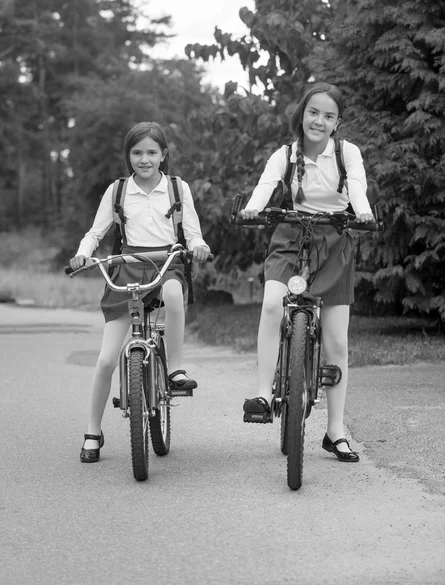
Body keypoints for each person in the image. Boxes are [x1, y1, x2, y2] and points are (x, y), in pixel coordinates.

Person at [241, 82, 374, 463]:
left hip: (334, 242)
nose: (319, 120)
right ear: (302, 114)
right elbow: (266, 186)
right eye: (314, 112)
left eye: (329, 115)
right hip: (290, 236)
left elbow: (359, 189)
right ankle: (264, 395)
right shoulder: (285, 154)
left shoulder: (348, 153)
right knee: (270, 305)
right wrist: (254, 208)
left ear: (337, 123)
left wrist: (361, 212)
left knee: (337, 342)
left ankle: (335, 432)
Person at [70, 121, 211, 463]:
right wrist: (82, 253)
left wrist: (199, 244)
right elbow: (95, 232)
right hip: (128, 263)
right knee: (106, 359)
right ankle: (93, 431)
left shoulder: (177, 188)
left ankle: (175, 370)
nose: (144, 159)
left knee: (174, 296)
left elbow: (191, 232)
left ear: (164, 155)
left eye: (151, 152)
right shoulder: (118, 190)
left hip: (167, 262)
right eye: (137, 153)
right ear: (128, 156)